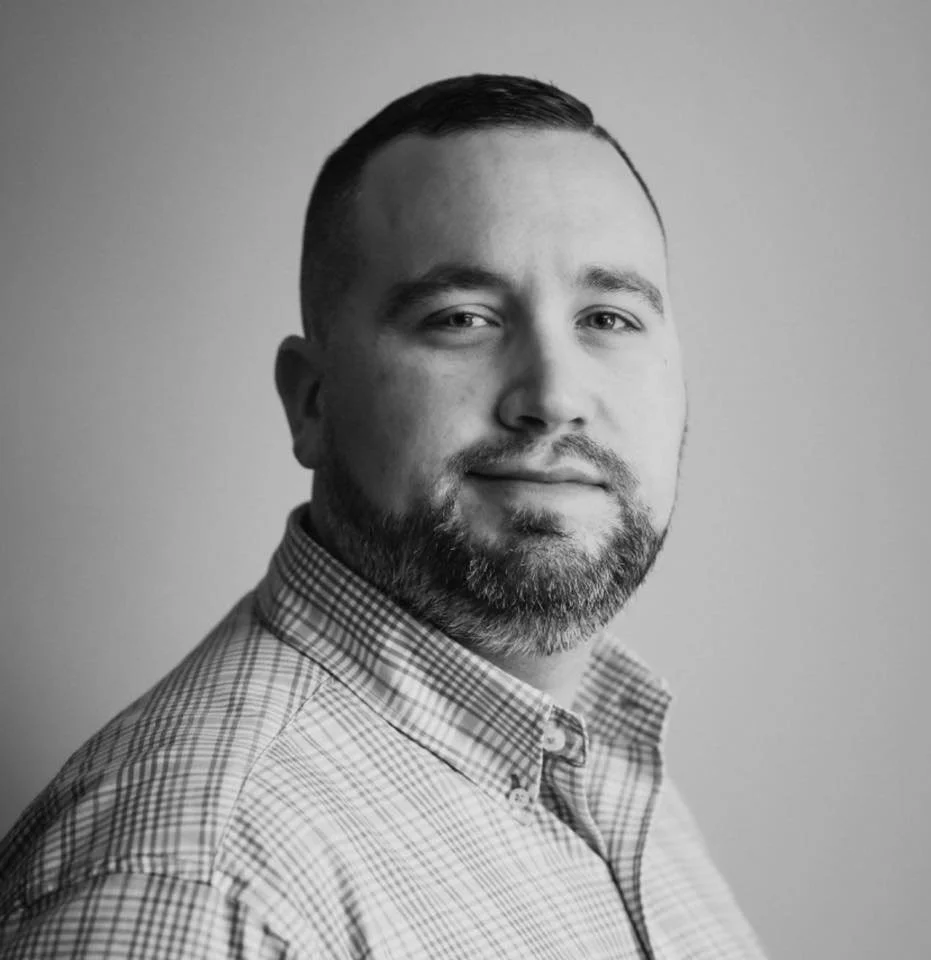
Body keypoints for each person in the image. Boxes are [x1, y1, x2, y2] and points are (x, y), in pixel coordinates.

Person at [0, 74, 766, 959]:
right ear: (313, 402)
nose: (554, 397)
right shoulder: (203, 886)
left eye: (609, 316)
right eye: (462, 318)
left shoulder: (596, 762)